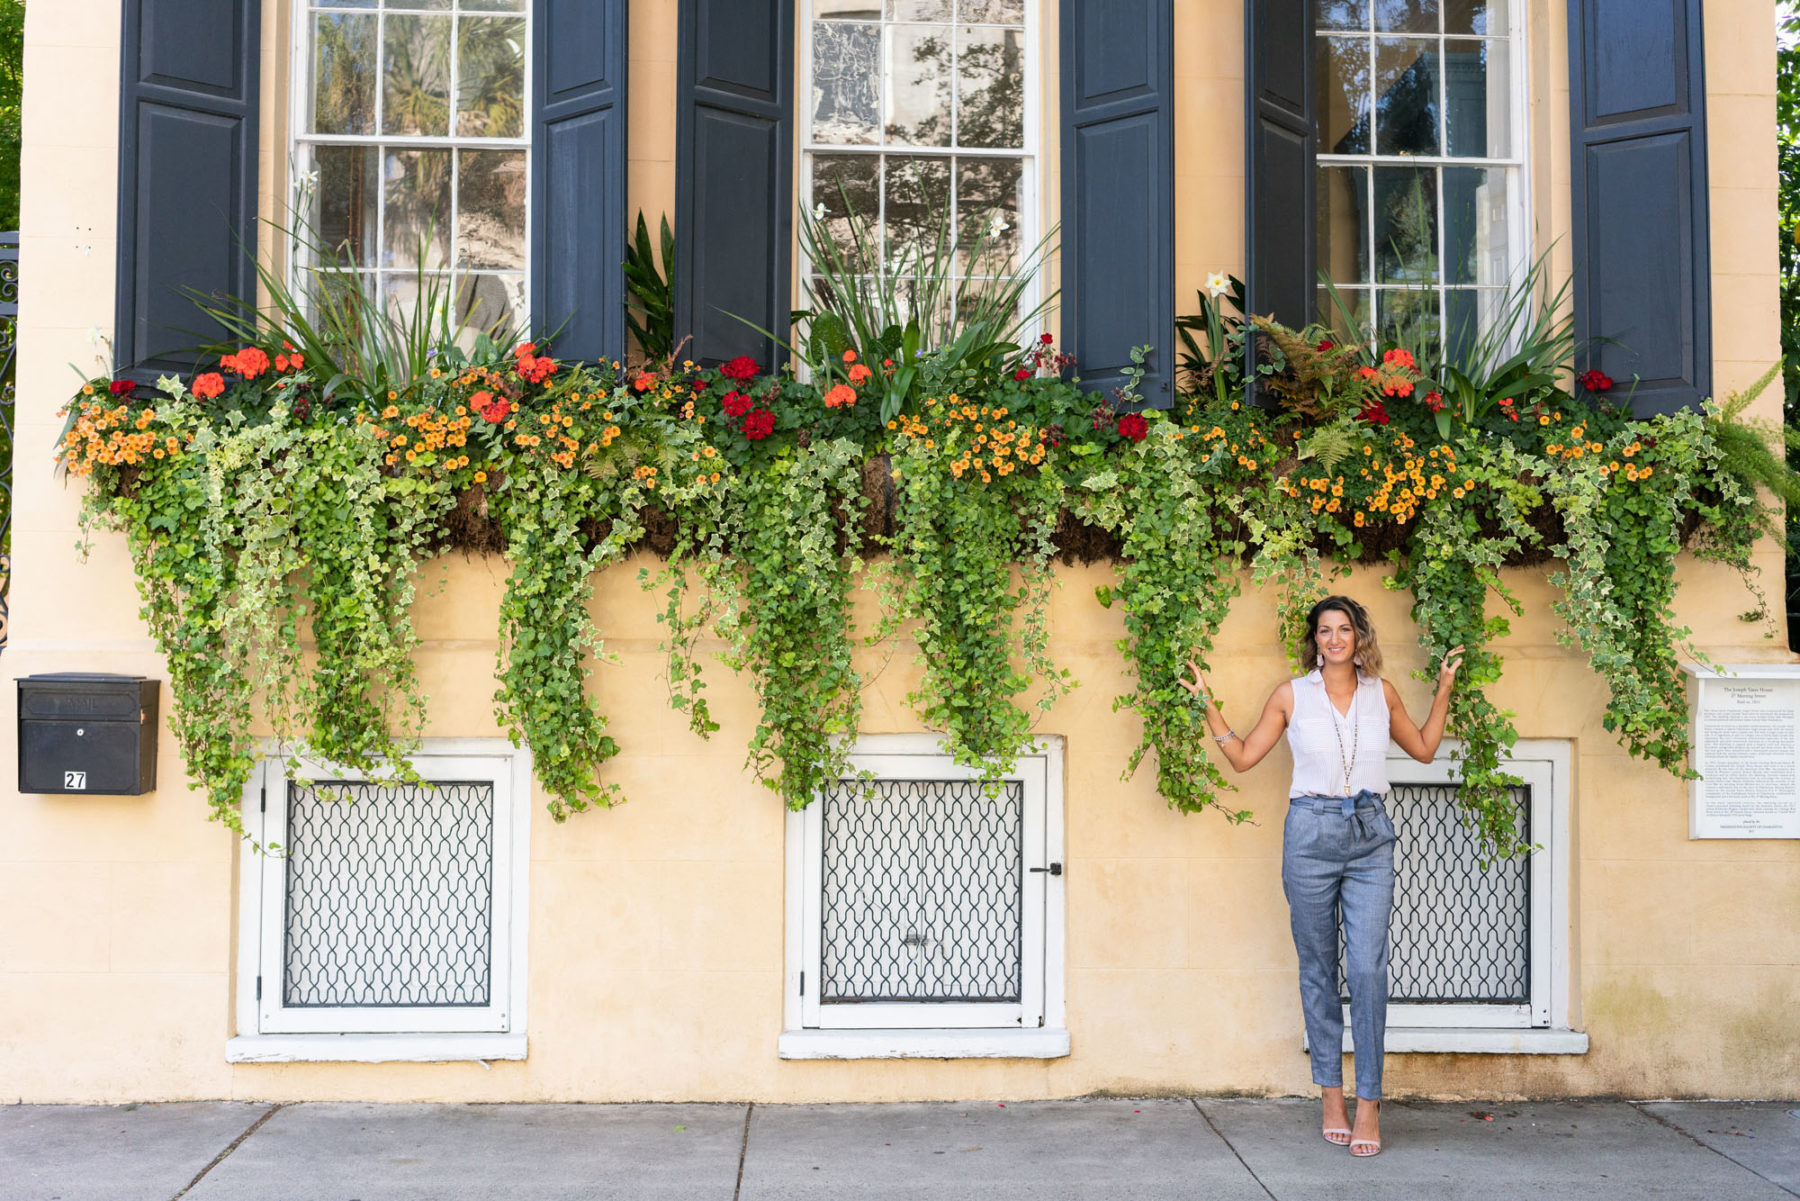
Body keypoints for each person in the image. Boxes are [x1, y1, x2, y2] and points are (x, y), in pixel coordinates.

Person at [1179, 596, 1462, 1158]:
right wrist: (1208, 706)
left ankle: (1370, 1104)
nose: (1335, 638)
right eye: (1325, 630)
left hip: (1370, 835)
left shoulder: (1382, 694)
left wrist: (1446, 689)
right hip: (1309, 834)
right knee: (1318, 967)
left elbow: (1426, 750)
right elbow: (1242, 758)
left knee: (1367, 970)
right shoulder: (1292, 695)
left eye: (1345, 629)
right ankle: (1331, 1097)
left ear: (1360, 636)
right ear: (1315, 639)